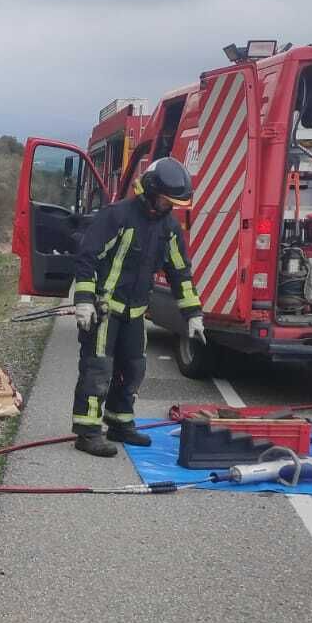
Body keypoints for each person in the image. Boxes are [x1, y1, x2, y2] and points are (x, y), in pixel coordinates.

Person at [70, 155, 205, 457]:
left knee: (133, 370)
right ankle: (88, 432)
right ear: (150, 191)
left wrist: (193, 314)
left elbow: (179, 272)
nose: (170, 207)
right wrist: (83, 301)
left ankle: (120, 422)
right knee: (98, 369)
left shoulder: (168, 228)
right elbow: (87, 258)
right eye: (166, 200)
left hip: (135, 313)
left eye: (174, 203)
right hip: (105, 310)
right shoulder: (117, 216)